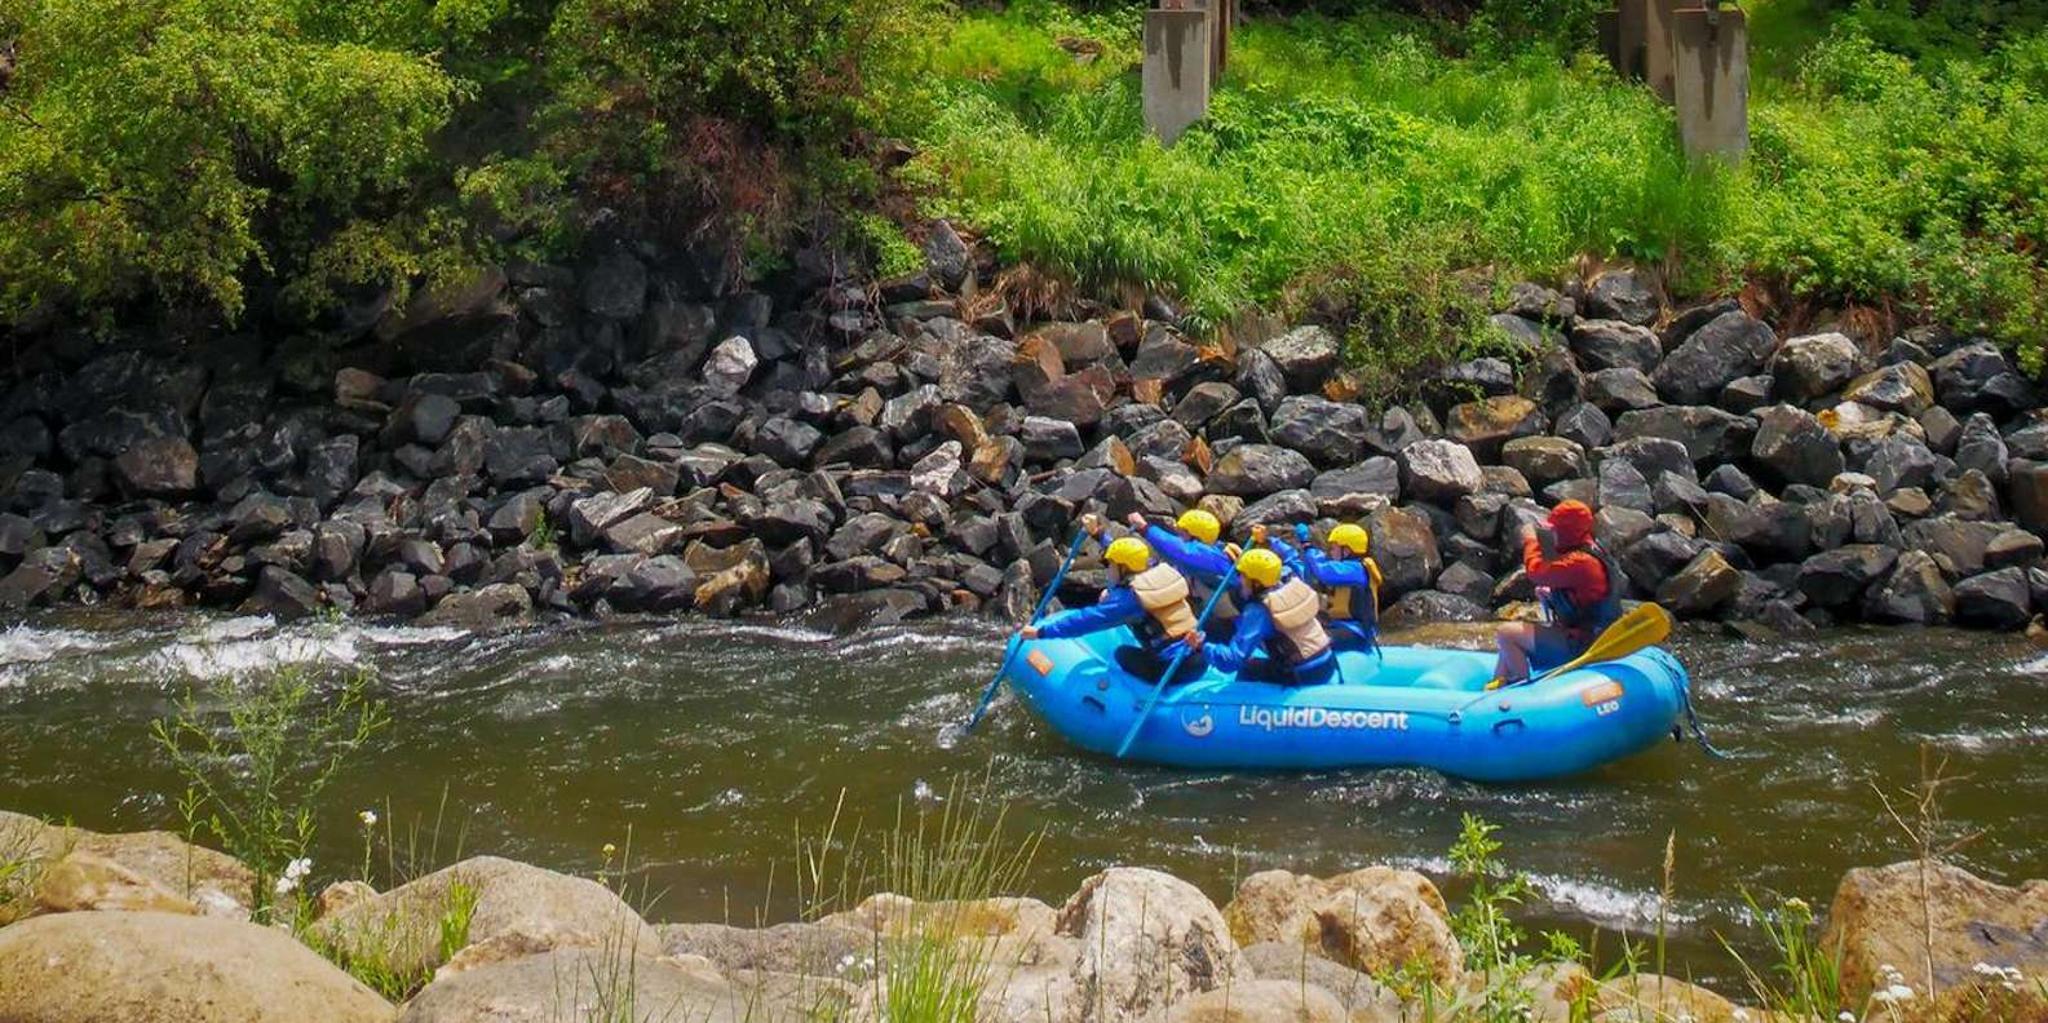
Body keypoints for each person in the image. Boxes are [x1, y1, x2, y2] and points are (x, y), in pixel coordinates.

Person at [1020, 527, 1205, 682]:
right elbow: (1127, 556)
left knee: (1122, 654)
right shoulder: (1156, 568)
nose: (1108, 569)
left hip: (1173, 669)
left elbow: (1085, 621)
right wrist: (1099, 534)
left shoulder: (1129, 601)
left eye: (1110, 565)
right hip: (1200, 658)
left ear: (1122, 568)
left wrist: (1041, 632)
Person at [1489, 499, 1619, 689]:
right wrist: (1553, 595)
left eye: (1555, 529)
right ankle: (1498, 684)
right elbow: (1585, 596)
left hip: (1583, 644)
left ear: (1568, 531)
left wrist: (1531, 541)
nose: (1552, 533)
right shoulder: (1591, 549)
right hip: (1590, 635)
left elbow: (1537, 572)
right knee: (1509, 643)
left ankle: (1518, 690)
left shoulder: (1581, 562)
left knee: (1506, 634)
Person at [1206, 548, 1337, 687]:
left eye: (1242, 575)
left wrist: (1203, 646)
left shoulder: (1259, 610)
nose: (1240, 579)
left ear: (1255, 582)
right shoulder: (1293, 583)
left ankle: (1241, 706)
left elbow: (1232, 661)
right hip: (1328, 662)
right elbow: (1290, 558)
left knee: (1248, 669)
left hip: (1304, 674)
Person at [1269, 522, 1381, 654]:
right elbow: (1303, 567)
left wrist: (1306, 543)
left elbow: (1322, 571)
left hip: (1356, 632)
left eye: (1334, 547)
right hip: (1339, 626)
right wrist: (1274, 542)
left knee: (1305, 644)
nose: (1331, 551)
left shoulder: (1356, 570)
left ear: (1347, 550)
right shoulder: (1342, 568)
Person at [1125, 509, 1237, 640]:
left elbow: (1181, 551)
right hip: (1213, 617)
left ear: (1195, 536)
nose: (1178, 536)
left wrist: (1145, 528)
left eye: (1182, 532)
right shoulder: (1197, 562)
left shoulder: (1212, 558)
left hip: (1233, 625)